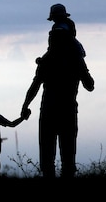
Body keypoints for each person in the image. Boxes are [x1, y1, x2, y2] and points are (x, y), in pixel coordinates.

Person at [21, 23, 95, 178]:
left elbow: (35, 85)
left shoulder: (47, 59)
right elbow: (90, 86)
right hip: (67, 109)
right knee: (68, 154)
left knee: (47, 155)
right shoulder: (75, 58)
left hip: (48, 109)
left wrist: (25, 105)